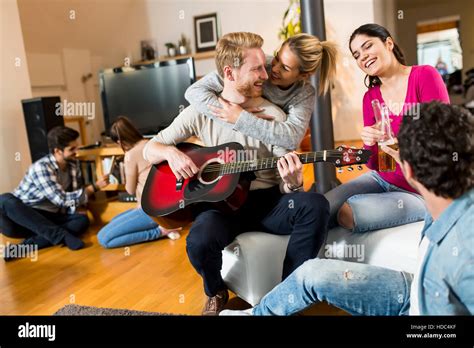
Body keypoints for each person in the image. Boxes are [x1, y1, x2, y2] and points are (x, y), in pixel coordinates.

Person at [221, 101, 474, 316]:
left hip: (421, 304)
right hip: (418, 286)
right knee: (311, 272)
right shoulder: (450, 195)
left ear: (406, 170)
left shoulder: (465, 253)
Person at [143, 32, 330, 315]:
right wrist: (170, 153)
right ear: (229, 73)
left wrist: (293, 184)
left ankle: (289, 293)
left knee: (315, 205)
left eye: (266, 67)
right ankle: (216, 290)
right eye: (258, 68)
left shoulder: (273, 117)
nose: (266, 75)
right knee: (199, 239)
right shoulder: (201, 111)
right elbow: (150, 148)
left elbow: (286, 177)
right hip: (222, 204)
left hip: (267, 203)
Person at [325, 23, 450, 234]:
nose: (362, 56)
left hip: (419, 189)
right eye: (356, 54)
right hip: (382, 178)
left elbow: (445, 139)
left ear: (388, 43)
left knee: (346, 214)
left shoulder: (424, 76)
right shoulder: (370, 97)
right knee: (321, 207)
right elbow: (375, 164)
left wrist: (405, 149)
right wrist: (368, 143)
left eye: (367, 46)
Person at [184, 33, 337, 150]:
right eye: (277, 58)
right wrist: (230, 115)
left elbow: (292, 138)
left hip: (270, 151)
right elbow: (194, 91)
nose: (273, 69)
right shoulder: (263, 65)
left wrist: (241, 119)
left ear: (303, 75)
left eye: (285, 68)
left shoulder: (304, 93)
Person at [0, 126, 109, 260]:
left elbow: (73, 198)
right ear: (57, 151)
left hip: (50, 217)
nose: (77, 152)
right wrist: (94, 187)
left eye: (77, 147)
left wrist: (80, 207)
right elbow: (61, 200)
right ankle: (61, 235)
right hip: (23, 218)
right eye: (72, 149)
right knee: (4, 199)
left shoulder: (73, 167)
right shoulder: (41, 167)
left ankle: (24, 247)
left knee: (81, 220)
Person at [97, 116, 181, 248]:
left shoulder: (131, 155)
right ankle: (163, 226)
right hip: (168, 206)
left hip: (152, 210)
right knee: (114, 221)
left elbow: (130, 190)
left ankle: (161, 231)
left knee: (103, 239)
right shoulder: (154, 143)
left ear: (119, 141)